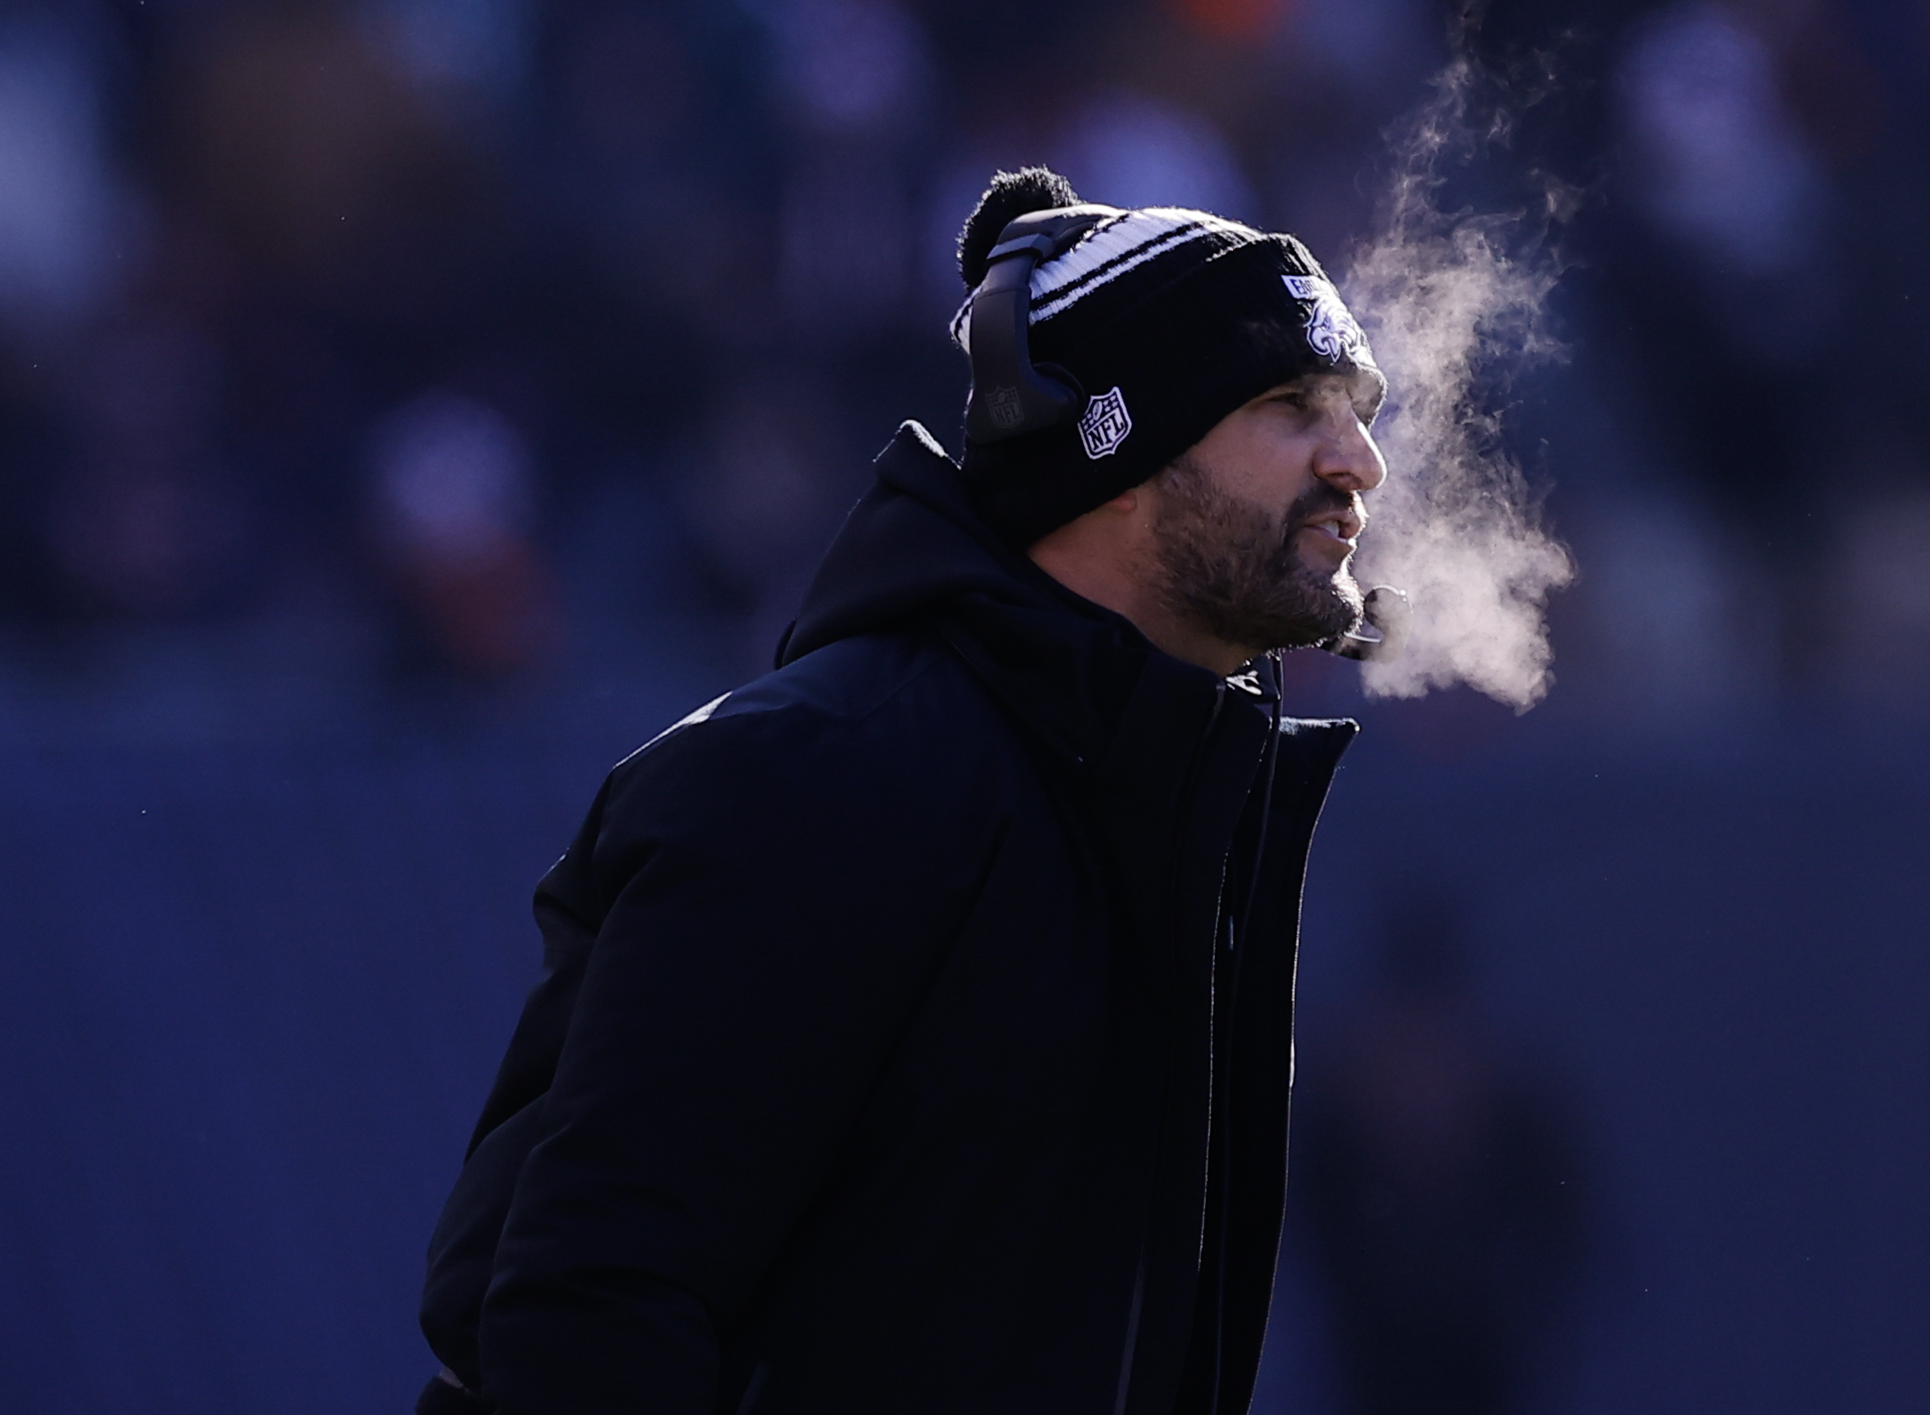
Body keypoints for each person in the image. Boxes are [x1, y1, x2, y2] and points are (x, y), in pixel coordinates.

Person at [414, 167, 1389, 1415]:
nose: (1357, 458)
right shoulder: (823, 778)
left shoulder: (1163, 804)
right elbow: (587, 1304)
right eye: (1289, 401)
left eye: (1357, 408)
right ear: (1118, 453)